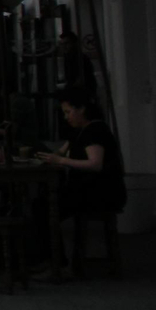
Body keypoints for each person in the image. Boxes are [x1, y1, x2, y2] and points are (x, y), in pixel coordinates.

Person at [41, 88, 127, 218]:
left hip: (101, 192)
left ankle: (49, 237)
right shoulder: (79, 130)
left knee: (45, 206)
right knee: (43, 201)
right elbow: (61, 151)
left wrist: (61, 161)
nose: (66, 117)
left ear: (81, 109)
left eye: (68, 112)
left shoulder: (95, 130)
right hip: (87, 189)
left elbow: (95, 164)